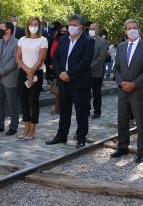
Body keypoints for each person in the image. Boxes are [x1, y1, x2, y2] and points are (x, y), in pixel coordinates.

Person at [45, 14, 94, 148]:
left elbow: (86, 61)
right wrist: (60, 73)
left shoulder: (88, 41)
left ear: (81, 27)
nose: (71, 28)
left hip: (79, 83)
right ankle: (61, 136)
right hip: (63, 82)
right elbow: (55, 58)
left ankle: (81, 138)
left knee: (81, 113)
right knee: (64, 111)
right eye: (70, 25)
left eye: (74, 25)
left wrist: (69, 74)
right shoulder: (63, 40)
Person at [111, 19, 143, 163]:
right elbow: (116, 68)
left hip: (138, 91)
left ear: (139, 29)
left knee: (140, 121)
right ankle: (123, 146)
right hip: (123, 90)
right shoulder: (121, 47)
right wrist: (120, 81)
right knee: (122, 119)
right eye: (129, 28)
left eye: (134, 27)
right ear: (125, 31)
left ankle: (142, 151)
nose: (132, 30)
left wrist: (134, 84)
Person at [15, 16, 48, 140]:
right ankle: (26, 128)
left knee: (33, 102)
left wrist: (32, 71)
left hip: (36, 73)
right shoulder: (22, 39)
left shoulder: (43, 40)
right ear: (27, 25)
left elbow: (41, 58)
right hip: (23, 72)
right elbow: (18, 57)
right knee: (23, 102)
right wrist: (27, 70)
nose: (33, 26)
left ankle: (33, 130)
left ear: (39, 26)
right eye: (31, 24)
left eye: (35, 24)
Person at [0, 21, 19, 136]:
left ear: (9, 30)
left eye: (1, 27)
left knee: (12, 104)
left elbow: (14, 61)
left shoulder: (17, 43)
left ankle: (13, 126)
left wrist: (0, 72)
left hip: (9, 78)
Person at [89, 23, 108, 119]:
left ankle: (97, 111)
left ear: (98, 29)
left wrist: (90, 66)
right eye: (90, 28)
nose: (91, 30)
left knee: (96, 93)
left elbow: (101, 58)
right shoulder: (85, 40)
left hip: (96, 72)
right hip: (85, 72)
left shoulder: (102, 42)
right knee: (85, 92)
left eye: (94, 28)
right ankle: (86, 110)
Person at [48, 24, 68, 115]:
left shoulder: (70, 41)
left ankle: (64, 107)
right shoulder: (56, 41)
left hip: (67, 69)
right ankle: (57, 107)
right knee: (57, 90)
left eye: (65, 31)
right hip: (57, 69)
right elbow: (52, 54)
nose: (63, 33)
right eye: (62, 31)